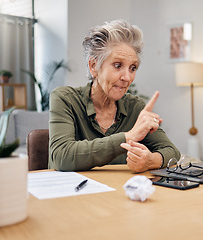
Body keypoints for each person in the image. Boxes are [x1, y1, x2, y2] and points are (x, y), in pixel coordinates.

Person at [48, 19, 180, 172]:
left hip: (120, 193)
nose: (127, 77)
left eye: (132, 68)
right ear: (93, 66)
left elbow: (172, 152)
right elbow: (61, 157)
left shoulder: (135, 107)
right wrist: (128, 137)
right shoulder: (65, 99)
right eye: (118, 65)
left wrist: (152, 160)